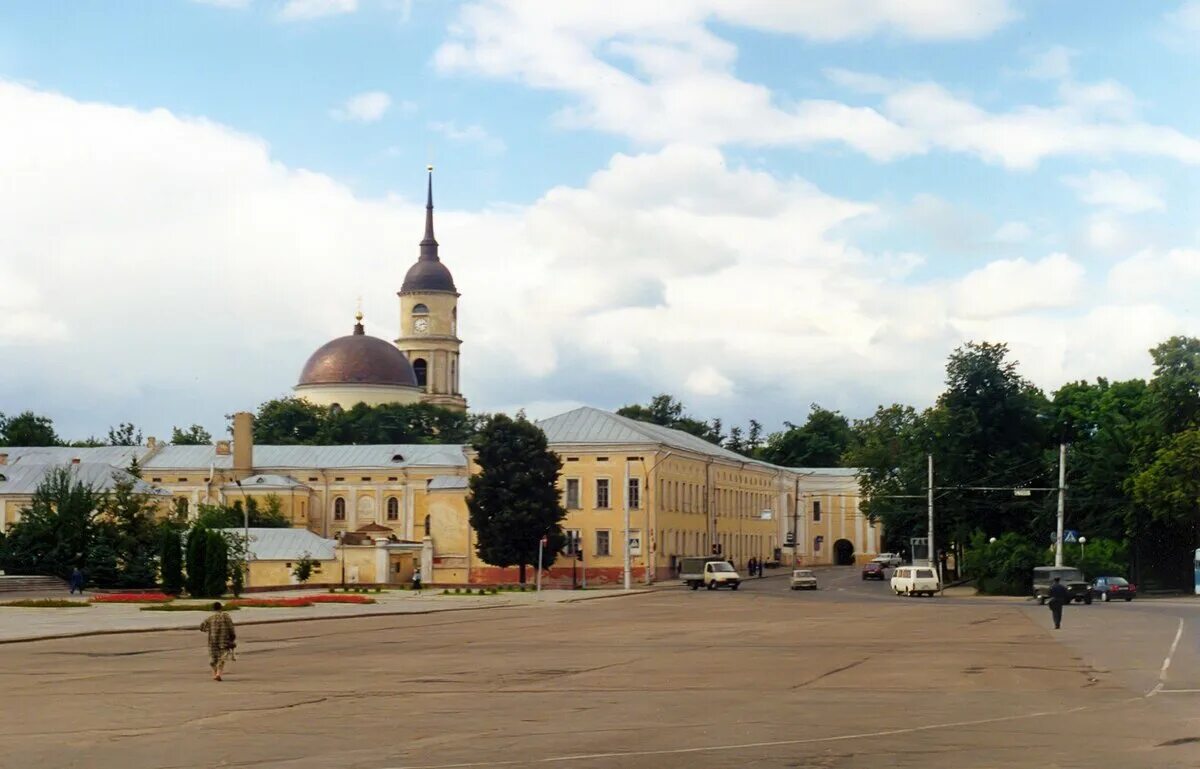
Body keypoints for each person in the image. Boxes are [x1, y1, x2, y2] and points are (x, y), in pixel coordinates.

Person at [200, 602, 237, 681]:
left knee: (213, 658)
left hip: (212, 640)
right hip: (224, 640)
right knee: (222, 657)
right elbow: (231, 627)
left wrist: (209, 630)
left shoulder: (210, 618)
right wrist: (233, 637)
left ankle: (215, 673)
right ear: (221, 608)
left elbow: (202, 627)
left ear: (213, 609)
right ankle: (218, 674)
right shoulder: (226, 617)